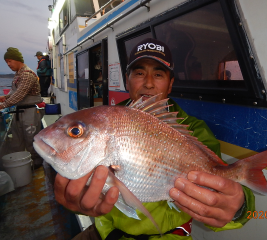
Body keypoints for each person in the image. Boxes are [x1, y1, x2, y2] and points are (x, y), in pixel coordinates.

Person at [54, 38, 255, 239]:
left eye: (158, 74)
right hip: (104, 233)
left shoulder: (195, 131)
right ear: (127, 80)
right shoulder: (106, 122)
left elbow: (218, 193)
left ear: (170, 84)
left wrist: (240, 207)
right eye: (140, 73)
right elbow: (86, 188)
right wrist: (77, 204)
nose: (148, 83)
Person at [0, 47, 45, 169]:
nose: (8, 64)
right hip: (19, 112)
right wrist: (5, 97)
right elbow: (15, 92)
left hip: (30, 112)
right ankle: (19, 164)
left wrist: (2, 105)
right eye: (6, 62)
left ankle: (37, 164)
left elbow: (19, 95)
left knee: (31, 140)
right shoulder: (18, 74)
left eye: (10, 61)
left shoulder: (27, 75)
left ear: (17, 59)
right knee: (17, 140)